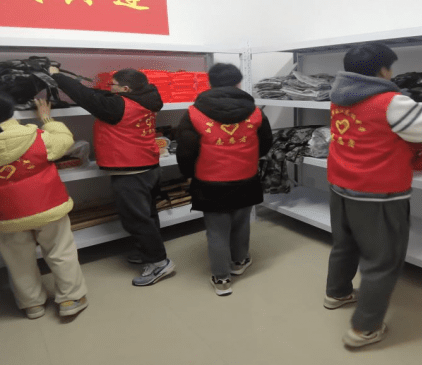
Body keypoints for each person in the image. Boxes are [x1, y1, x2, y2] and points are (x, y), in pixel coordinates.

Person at [324, 43, 422, 348]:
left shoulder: (339, 96)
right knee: (382, 260)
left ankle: (337, 293)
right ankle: (364, 329)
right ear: (383, 70)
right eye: (390, 68)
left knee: (345, 244)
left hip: (340, 184)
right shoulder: (390, 102)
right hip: (377, 193)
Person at [0, 91, 88, 319]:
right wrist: (47, 118)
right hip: (45, 205)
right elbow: (65, 141)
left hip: (0, 214)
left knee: (17, 259)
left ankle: (32, 304)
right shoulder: (35, 137)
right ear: (11, 112)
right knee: (60, 251)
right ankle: (71, 299)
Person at [50, 67, 175, 286]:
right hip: (148, 166)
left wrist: (56, 75)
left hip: (131, 171)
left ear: (125, 89)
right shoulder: (146, 98)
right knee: (147, 214)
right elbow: (98, 95)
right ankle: (149, 253)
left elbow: (84, 96)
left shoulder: (118, 106)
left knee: (137, 220)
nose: (110, 88)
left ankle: (159, 263)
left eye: (112, 85)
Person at [176, 63, 273, 296]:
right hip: (246, 178)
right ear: (239, 82)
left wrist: (188, 174)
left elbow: (186, 150)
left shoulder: (194, 113)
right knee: (241, 223)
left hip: (210, 182)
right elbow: (265, 144)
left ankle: (221, 279)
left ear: (210, 83)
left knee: (217, 231)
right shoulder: (255, 112)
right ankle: (239, 262)